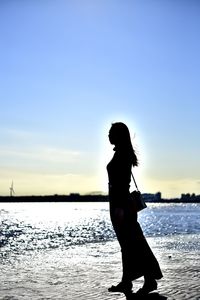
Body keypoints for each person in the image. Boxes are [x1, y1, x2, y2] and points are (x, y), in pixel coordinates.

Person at [107, 122, 163, 295]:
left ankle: (149, 279)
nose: (108, 135)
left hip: (121, 204)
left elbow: (121, 184)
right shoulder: (121, 153)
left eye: (111, 132)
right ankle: (129, 281)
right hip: (119, 204)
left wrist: (119, 208)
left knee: (134, 243)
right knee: (129, 244)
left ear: (119, 135)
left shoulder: (122, 155)